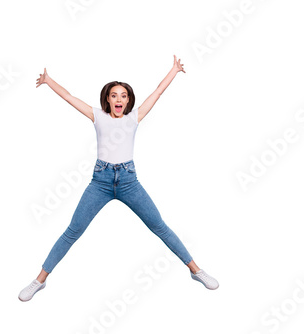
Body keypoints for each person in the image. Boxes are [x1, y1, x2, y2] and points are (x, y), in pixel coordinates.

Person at [19, 55, 219, 302]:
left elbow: (156, 93)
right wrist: (49, 81)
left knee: (159, 226)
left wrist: (174, 70)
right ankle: (39, 280)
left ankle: (196, 271)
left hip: (128, 181)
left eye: (123, 95)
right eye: (114, 95)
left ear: (128, 100)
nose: (119, 99)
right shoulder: (97, 116)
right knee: (73, 230)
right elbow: (70, 97)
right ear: (107, 99)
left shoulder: (134, 117)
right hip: (100, 182)